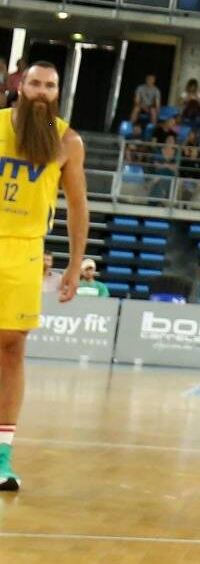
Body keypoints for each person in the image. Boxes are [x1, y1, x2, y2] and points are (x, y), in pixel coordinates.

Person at [0, 61, 88, 491]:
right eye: (34, 83)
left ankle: (1, 459)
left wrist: (75, 264)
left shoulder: (68, 141)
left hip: (24, 250)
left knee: (11, 349)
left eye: (49, 86)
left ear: (57, 93)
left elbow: (77, 206)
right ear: (20, 86)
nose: (40, 92)